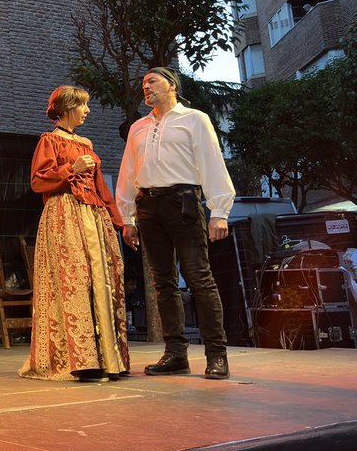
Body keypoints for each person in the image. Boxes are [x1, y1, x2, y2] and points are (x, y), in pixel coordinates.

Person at [116, 67, 236, 380]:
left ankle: (216, 353)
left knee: (199, 277)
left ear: (171, 85)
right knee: (163, 282)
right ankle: (175, 354)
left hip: (183, 202)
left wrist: (219, 211)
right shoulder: (138, 127)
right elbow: (128, 172)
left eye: (152, 81)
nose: (146, 87)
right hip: (148, 205)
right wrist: (127, 218)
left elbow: (212, 163)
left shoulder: (195, 119)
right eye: (143, 83)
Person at [20, 86, 130, 382]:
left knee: (101, 282)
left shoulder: (86, 143)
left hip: (93, 215)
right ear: (68, 108)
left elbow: (100, 187)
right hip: (64, 213)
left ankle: (108, 359)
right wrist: (71, 168)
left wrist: (119, 222)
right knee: (75, 281)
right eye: (82, 105)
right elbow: (38, 182)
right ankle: (81, 361)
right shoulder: (49, 140)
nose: (87, 111)